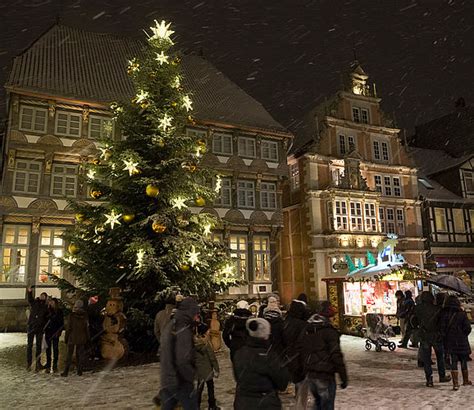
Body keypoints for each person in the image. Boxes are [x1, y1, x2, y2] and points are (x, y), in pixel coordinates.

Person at [297, 301, 348, 410]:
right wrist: (343, 377)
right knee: (326, 405)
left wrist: (304, 369)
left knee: (318, 403)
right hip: (325, 375)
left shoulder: (307, 328)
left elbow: (301, 350)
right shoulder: (329, 331)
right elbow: (336, 355)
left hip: (311, 374)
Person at [233, 318, 290, 409]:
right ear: (266, 334)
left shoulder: (240, 353)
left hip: (243, 401)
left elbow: (238, 376)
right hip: (266, 402)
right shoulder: (269, 356)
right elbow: (282, 382)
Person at [157, 297, 200, 410]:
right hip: (181, 382)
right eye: (196, 314)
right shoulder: (183, 330)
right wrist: (191, 375)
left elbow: (164, 352)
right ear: (190, 313)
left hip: (167, 380)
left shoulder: (171, 325)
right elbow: (183, 360)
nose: (197, 317)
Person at [413, 291, 450, 386]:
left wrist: (418, 328)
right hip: (436, 336)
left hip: (424, 336)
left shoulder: (417, 308)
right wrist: (441, 333)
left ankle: (429, 379)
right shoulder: (437, 309)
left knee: (426, 359)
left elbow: (413, 320)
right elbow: (442, 324)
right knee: (440, 357)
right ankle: (442, 376)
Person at [439, 295, 472, 391]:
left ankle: (455, 384)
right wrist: (463, 334)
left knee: (453, 361)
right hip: (461, 340)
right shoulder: (462, 313)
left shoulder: (444, 314)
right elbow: (468, 328)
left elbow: (442, 328)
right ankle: (465, 380)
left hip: (450, 341)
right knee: (463, 360)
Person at [283, 299, 309, 387]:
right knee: (301, 380)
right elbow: (302, 342)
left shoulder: (286, 321)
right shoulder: (302, 324)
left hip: (288, 354)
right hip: (298, 355)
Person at [195, 323, 220, 410]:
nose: (209, 332)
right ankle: (212, 405)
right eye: (208, 330)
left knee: (199, 389)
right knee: (210, 388)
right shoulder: (206, 344)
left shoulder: (195, 342)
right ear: (205, 332)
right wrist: (216, 369)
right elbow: (212, 357)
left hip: (199, 370)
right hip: (207, 370)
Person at [61, 300, 90, 377]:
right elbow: (86, 328)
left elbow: (68, 328)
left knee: (69, 354)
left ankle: (66, 371)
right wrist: (88, 338)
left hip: (72, 337)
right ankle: (79, 371)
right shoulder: (85, 316)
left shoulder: (72, 316)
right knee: (80, 354)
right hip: (82, 337)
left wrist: (66, 338)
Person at [26, 287, 49, 371]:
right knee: (29, 345)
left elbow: (47, 318)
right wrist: (29, 292)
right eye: (41, 295)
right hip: (31, 326)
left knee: (38, 346)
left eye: (44, 296)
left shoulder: (46, 307)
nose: (42, 297)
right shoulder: (35, 302)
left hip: (39, 328)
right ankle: (28, 363)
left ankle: (38, 363)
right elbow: (30, 299)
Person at [44, 298, 64, 373]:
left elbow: (61, 323)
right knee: (48, 349)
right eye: (50, 302)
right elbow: (44, 320)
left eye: (52, 302)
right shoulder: (47, 311)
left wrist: (59, 332)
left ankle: (55, 364)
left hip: (55, 332)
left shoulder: (59, 311)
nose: (51, 304)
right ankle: (48, 364)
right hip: (48, 332)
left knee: (55, 349)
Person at [86, 295, 103, 359]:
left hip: (92, 327)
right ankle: (96, 354)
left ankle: (92, 354)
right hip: (96, 327)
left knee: (92, 342)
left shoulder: (90, 308)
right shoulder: (99, 308)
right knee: (96, 342)